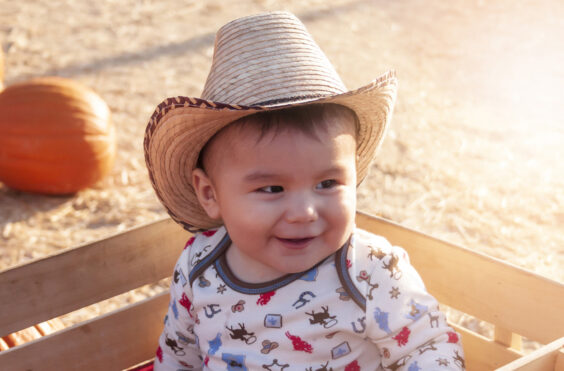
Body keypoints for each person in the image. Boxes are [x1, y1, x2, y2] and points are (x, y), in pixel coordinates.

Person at [144, 11, 465, 370]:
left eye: (327, 184)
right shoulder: (198, 265)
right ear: (210, 194)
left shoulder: (368, 270)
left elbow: (427, 346)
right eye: (271, 188)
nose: (304, 212)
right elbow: (178, 355)